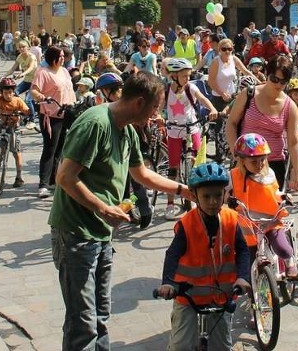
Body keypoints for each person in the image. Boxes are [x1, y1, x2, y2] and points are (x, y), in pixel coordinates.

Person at [50, 72, 198, 350]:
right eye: (155, 107)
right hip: (76, 232)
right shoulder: (96, 123)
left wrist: (184, 190)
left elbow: (141, 174)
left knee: (100, 316)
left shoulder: (127, 129)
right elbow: (65, 177)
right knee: (82, 322)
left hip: (101, 234)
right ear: (139, 102)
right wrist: (104, 208)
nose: (156, 115)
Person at [156, 162, 250, 350]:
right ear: (194, 196)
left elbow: (243, 251)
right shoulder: (187, 224)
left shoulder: (231, 219)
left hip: (221, 296)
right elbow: (172, 254)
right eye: (206, 196)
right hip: (188, 296)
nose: (213, 201)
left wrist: (242, 277)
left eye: (218, 195)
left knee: (222, 346)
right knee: (181, 346)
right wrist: (168, 283)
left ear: (225, 193)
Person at [226, 55, 298, 191]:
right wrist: (237, 155)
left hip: (274, 165)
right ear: (267, 75)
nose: (278, 85)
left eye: (283, 81)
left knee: (271, 210)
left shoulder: (290, 106)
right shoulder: (248, 94)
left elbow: (294, 142)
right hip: (245, 162)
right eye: (275, 79)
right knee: (241, 208)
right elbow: (231, 123)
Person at [229, 133, 298, 278]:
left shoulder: (269, 174)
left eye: (262, 160)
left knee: (282, 249)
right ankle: (255, 290)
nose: (259, 165)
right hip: (247, 225)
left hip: (270, 221)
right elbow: (224, 193)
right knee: (248, 261)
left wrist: (284, 196)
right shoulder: (234, 176)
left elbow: (275, 193)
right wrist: (227, 200)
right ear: (241, 160)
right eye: (254, 162)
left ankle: (290, 261)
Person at [164, 58, 219, 220]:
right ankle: (170, 203)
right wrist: (157, 116)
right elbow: (158, 106)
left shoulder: (191, 88)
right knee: (172, 168)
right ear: (174, 76)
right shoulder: (167, 90)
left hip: (192, 128)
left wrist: (213, 108)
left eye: (189, 75)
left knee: (198, 164)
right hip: (174, 130)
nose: (188, 78)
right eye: (184, 76)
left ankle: (196, 197)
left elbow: (203, 99)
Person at [30, 46, 77, 198]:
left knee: (60, 149)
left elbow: (69, 89)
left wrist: (74, 103)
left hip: (66, 113)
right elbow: (34, 91)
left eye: (64, 56)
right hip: (50, 115)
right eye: (60, 56)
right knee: (50, 149)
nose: (63, 58)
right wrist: (42, 97)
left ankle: (54, 180)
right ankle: (43, 185)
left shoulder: (64, 71)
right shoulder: (43, 72)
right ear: (53, 57)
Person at [208, 38, 253, 162]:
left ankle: (234, 150)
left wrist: (260, 82)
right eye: (224, 49)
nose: (227, 52)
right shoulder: (216, 62)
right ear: (219, 50)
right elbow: (211, 81)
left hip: (232, 96)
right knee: (219, 126)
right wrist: (222, 93)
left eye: (229, 49)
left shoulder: (234, 59)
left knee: (235, 123)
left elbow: (246, 71)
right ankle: (219, 154)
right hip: (218, 97)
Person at [5, 40, 38, 128]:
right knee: (14, 93)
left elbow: (31, 68)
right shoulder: (19, 57)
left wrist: (23, 74)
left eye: (24, 47)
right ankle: (23, 110)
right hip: (26, 81)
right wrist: (4, 76)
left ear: (28, 48)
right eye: (20, 47)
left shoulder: (32, 57)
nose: (22, 49)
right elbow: (12, 69)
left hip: (35, 81)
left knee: (28, 99)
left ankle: (32, 120)